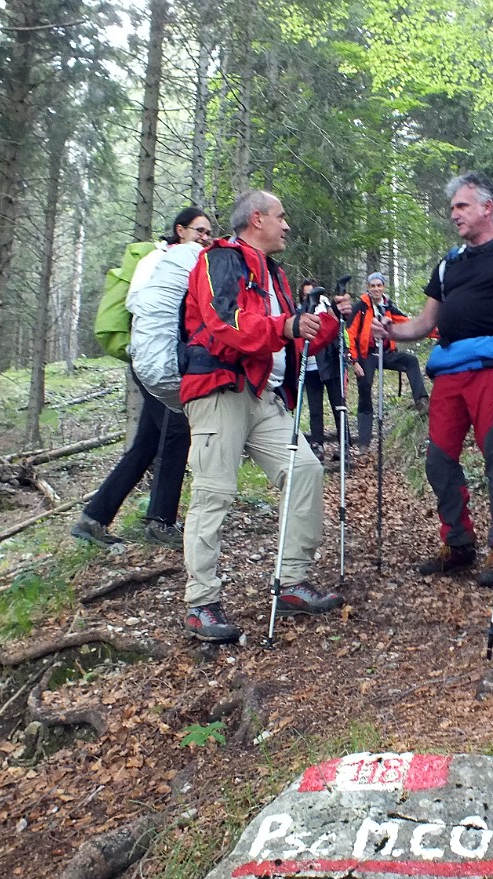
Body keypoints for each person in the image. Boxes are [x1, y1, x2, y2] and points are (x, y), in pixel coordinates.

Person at [372, 172, 493, 587]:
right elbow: (424, 323)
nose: (453, 214)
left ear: (486, 207)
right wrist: (390, 332)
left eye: (461, 206)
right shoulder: (448, 264)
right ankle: (458, 543)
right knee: (438, 459)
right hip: (449, 375)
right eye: (453, 207)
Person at [179, 190, 344, 643]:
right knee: (214, 492)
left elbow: (293, 335)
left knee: (306, 471)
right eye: (281, 216)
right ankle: (201, 603)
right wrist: (285, 326)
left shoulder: (274, 275)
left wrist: (327, 322)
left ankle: (291, 583)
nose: (287, 225)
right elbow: (223, 321)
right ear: (256, 219)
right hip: (218, 388)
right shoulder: (222, 261)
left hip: (262, 394)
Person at [71, 207, 208, 549]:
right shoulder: (159, 259)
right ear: (180, 230)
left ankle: (94, 518)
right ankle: (161, 522)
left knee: (148, 442)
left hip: (154, 359)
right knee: (177, 432)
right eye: (199, 230)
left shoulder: (182, 261)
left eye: (208, 232)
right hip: (152, 361)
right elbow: (140, 303)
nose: (205, 237)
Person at [347, 271, 429, 449]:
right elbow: (350, 333)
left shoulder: (389, 307)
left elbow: (408, 323)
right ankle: (364, 441)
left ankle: (421, 400)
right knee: (365, 390)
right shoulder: (360, 307)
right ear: (368, 288)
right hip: (366, 355)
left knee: (411, 361)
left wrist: (437, 331)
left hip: (386, 353)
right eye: (372, 286)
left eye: (379, 285)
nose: (376, 289)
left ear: (383, 287)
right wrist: (355, 361)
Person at [297, 279, 350, 465]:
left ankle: (345, 445)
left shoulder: (326, 308)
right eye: (306, 294)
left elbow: (338, 328)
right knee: (315, 409)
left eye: (313, 293)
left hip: (329, 363)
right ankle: (317, 445)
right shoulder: (299, 312)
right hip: (310, 367)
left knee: (338, 405)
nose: (311, 296)